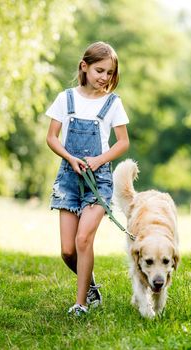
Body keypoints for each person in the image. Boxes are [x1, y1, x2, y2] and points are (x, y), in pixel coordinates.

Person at [45, 42, 130, 316]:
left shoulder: (112, 103)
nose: (105, 77)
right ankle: (91, 285)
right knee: (68, 251)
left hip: (99, 180)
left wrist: (98, 160)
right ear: (84, 66)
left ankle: (81, 304)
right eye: (100, 70)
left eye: (110, 73)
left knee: (84, 240)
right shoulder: (65, 98)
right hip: (69, 179)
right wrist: (71, 158)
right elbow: (51, 137)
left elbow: (122, 143)